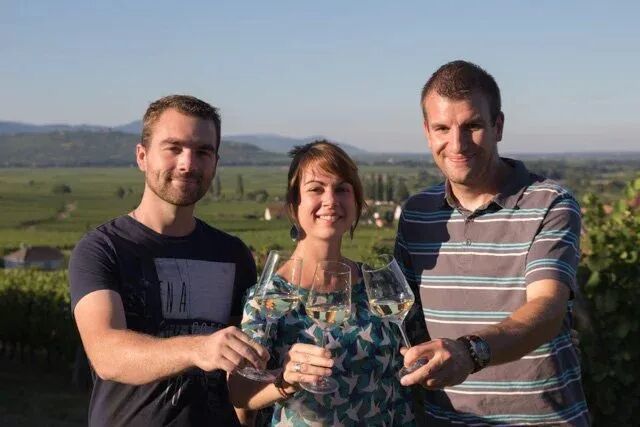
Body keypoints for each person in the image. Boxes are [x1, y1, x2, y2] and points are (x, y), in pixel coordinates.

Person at [396, 60, 589, 425]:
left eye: (472, 126)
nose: (457, 144)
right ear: (427, 132)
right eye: (442, 128)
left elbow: (547, 308)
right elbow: (403, 320)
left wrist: (470, 353)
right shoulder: (416, 214)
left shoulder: (550, 204)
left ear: (498, 126)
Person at [69, 95, 269, 426]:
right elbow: (106, 353)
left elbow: (240, 374)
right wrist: (198, 349)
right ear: (142, 156)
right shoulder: (103, 249)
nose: (188, 164)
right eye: (174, 148)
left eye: (203, 152)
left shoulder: (233, 254)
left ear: (215, 162)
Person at [229, 141, 416, 426]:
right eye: (316, 189)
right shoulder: (270, 296)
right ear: (294, 206)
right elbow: (240, 393)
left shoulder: (376, 285)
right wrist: (286, 380)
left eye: (342, 189)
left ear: (356, 202)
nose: (330, 200)